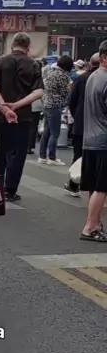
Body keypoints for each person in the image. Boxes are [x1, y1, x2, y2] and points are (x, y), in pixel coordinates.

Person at [0, 32, 43, 203]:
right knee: (18, 153)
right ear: (28, 47)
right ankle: (10, 190)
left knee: (0, 151)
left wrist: (4, 107)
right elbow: (38, 92)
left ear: (12, 45)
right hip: (23, 115)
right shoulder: (33, 64)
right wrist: (16, 106)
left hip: (0, 115)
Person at [80, 40, 107, 242]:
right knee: (102, 187)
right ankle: (90, 227)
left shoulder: (93, 76)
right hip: (104, 140)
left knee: (95, 186)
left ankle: (96, 224)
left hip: (90, 138)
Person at [64, 52, 100, 197]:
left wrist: (76, 116)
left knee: (78, 154)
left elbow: (72, 101)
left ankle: (74, 184)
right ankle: (97, 187)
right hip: (99, 127)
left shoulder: (81, 78)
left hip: (81, 123)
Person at [38, 54, 74, 165]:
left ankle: (42, 156)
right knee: (55, 133)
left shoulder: (50, 71)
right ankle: (52, 157)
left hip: (46, 104)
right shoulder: (62, 75)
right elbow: (65, 92)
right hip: (55, 106)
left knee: (47, 131)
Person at [28, 60, 44, 154]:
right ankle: (29, 147)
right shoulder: (40, 79)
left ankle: (25, 145)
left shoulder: (25, 77)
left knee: (26, 126)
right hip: (36, 105)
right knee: (33, 127)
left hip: (25, 105)